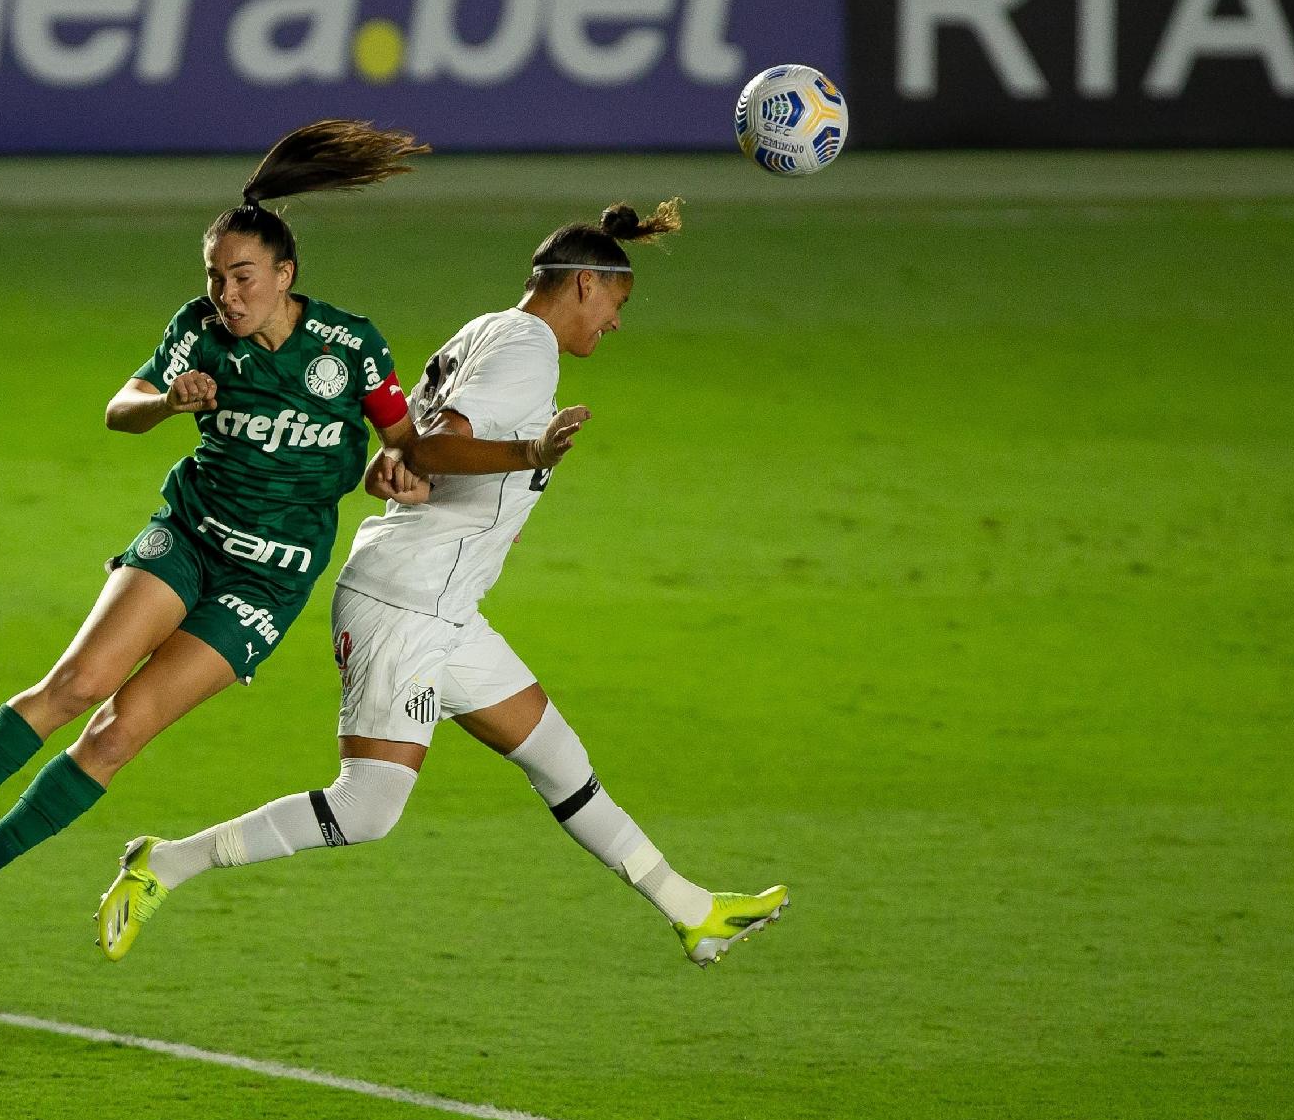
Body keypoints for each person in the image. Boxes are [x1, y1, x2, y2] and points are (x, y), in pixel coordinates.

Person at [0, 120, 578, 947]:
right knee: (79, 681)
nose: (229, 297)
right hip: (193, 537)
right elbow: (119, 409)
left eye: (244, 278)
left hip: (270, 580)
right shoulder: (200, 335)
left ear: (286, 274)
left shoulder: (349, 348)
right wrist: (170, 401)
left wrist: (407, 469)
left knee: (119, 732)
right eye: (216, 281)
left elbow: (403, 441)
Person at [94, 200, 789, 968]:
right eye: (617, 304)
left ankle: (693, 912)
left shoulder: (488, 329)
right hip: (408, 601)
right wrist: (529, 451)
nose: (616, 324)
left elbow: (409, 452)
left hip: (444, 601)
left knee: (559, 758)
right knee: (367, 809)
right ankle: (169, 862)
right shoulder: (527, 348)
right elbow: (436, 448)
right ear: (586, 284)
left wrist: (408, 467)